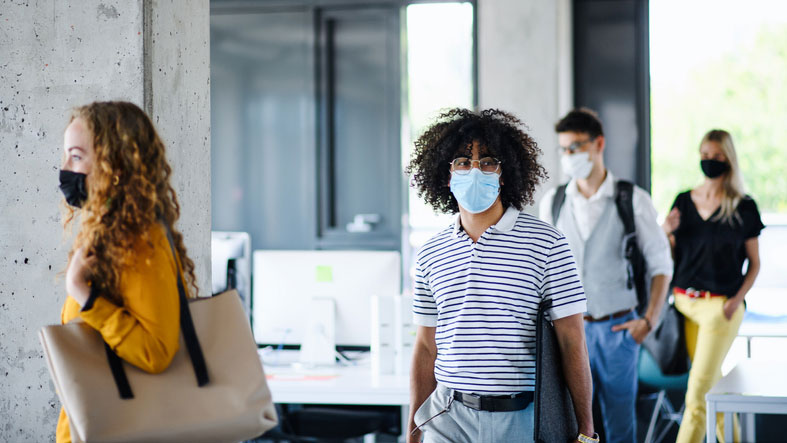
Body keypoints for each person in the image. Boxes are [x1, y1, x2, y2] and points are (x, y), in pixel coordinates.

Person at [405, 108, 596, 443]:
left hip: (523, 419)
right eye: (463, 162)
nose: (475, 171)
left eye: (488, 162)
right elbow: (425, 347)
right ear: (446, 174)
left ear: (504, 174)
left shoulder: (547, 244)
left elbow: (572, 341)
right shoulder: (430, 253)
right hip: (448, 416)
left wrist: (586, 431)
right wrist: (413, 429)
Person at [56, 101, 198, 442]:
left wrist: (82, 292)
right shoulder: (106, 232)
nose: (64, 168)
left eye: (76, 156)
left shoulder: (140, 240)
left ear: (113, 163)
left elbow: (156, 353)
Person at [539, 108, 673, 443]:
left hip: (618, 330)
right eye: (564, 149)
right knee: (570, 424)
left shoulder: (632, 200)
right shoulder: (553, 202)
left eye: (576, 147)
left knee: (619, 424)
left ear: (598, 143)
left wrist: (648, 321)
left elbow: (661, 264)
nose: (570, 156)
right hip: (568, 332)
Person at [663, 129, 762, 443]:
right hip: (684, 302)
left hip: (720, 308)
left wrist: (735, 301)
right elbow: (667, 258)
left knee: (697, 393)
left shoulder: (744, 207)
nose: (709, 161)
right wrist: (665, 232)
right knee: (710, 384)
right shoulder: (683, 200)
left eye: (716, 156)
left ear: (728, 159)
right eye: (704, 155)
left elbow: (755, 263)